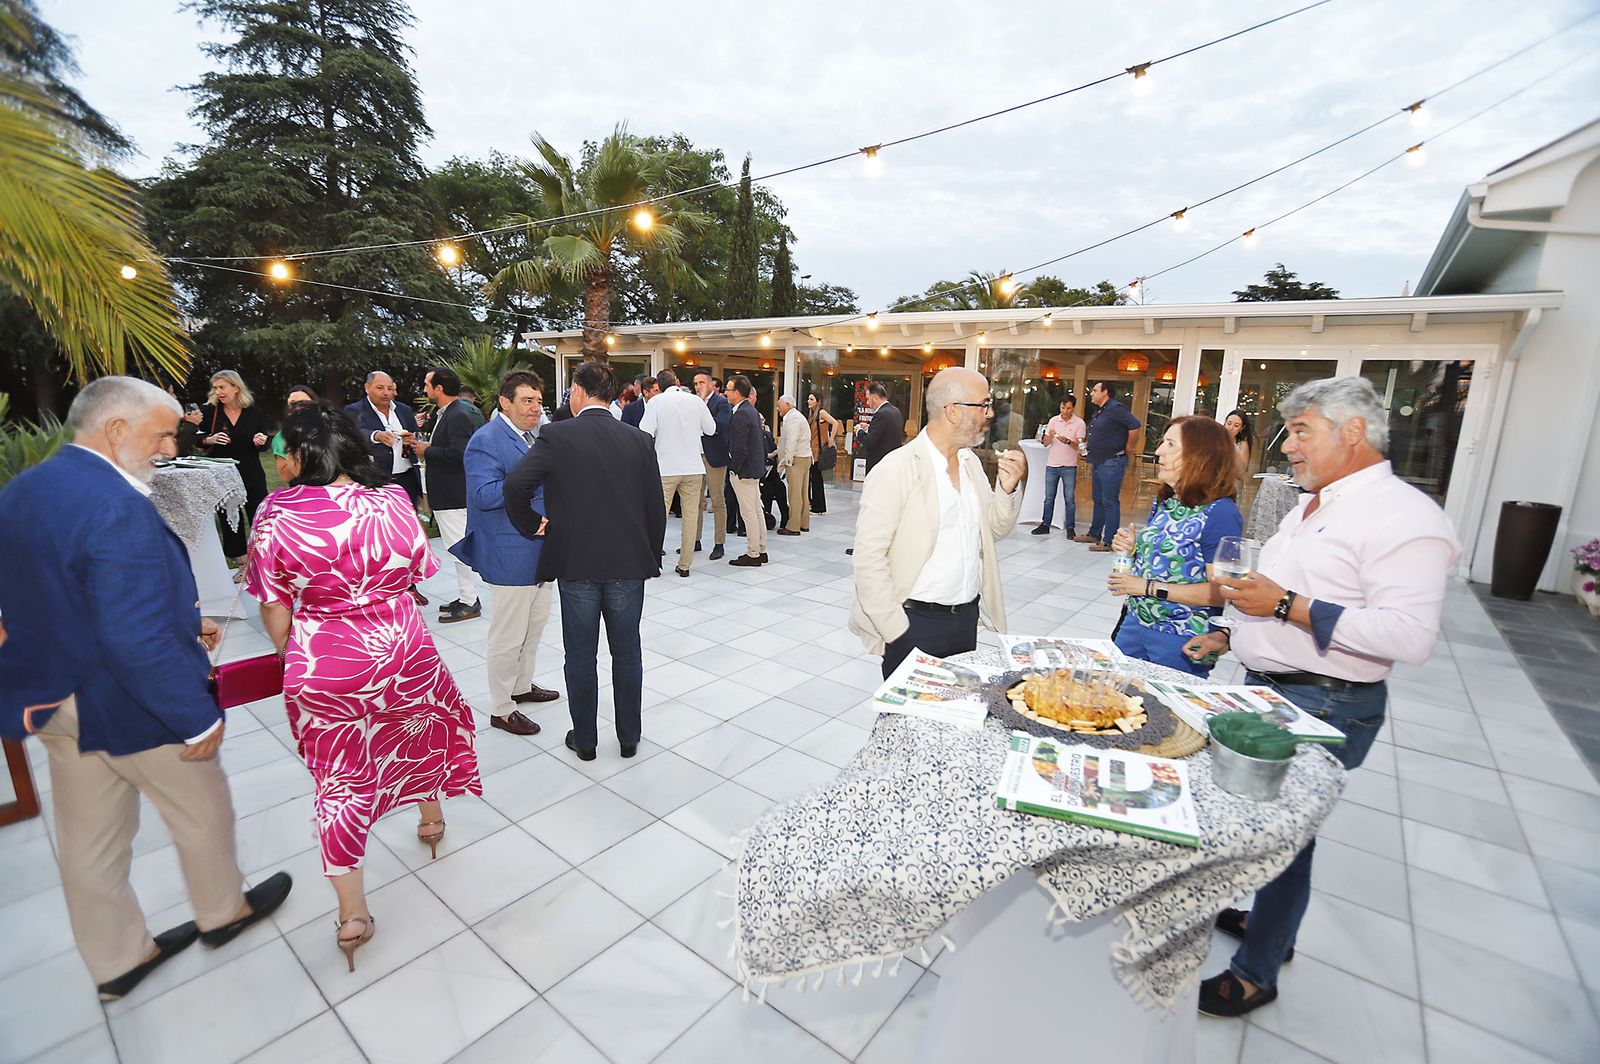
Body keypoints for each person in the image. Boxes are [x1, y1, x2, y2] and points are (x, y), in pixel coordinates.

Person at [0, 377, 292, 1001]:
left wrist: (188, 620)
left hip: (56, 699)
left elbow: (72, 590)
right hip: (124, 700)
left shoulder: (26, 488)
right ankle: (223, 914)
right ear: (115, 429)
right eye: (162, 434)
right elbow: (130, 635)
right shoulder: (115, 503)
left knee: (90, 839)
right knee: (201, 808)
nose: (168, 448)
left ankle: (118, 960)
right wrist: (195, 718)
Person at [1181, 377, 1459, 1018]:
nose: (1288, 446)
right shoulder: (1316, 504)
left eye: (1302, 431)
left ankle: (1256, 972)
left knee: (1287, 833)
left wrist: (1285, 605)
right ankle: (1269, 926)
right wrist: (1234, 632)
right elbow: (1291, 596)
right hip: (1275, 689)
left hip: (1327, 701)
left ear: (1352, 432)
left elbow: (1409, 636)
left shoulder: (1406, 518)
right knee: (1281, 830)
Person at [247, 400, 482, 971]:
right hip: (402, 647)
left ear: (302, 454)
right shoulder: (394, 501)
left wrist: (294, 654)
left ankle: (353, 914)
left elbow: (273, 607)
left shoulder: (276, 514)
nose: (278, 462)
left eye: (282, 451)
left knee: (342, 780)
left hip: (325, 660)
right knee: (418, 730)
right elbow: (417, 573)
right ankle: (430, 819)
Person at [502, 360, 665, 761]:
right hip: (628, 564)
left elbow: (515, 484)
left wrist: (532, 524)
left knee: (580, 654)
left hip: (576, 565)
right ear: (609, 395)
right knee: (628, 652)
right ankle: (629, 737)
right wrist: (650, 554)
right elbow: (655, 507)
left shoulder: (557, 435)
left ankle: (587, 740)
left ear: (577, 391)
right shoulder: (638, 439)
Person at [850, 367, 1027, 677]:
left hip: (964, 622)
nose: (989, 413)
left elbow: (993, 529)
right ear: (953, 411)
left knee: (955, 719)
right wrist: (897, 633)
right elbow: (868, 560)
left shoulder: (970, 463)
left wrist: (1008, 489)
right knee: (908, 725)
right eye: (983, 404)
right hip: (914, 626)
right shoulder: (898, 469)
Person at [451, 370, 559, 735]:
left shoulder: (532, 438)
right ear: (505, 402)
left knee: (534, 625)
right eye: (527, 401)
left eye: (539, 402)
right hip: (511, 549)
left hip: (540, 547)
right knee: (508, 634)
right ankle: (501, 708)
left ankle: (522, 686)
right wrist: (530, 489)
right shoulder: (487, 440)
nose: (534, 408)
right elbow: (484, 495)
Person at [1105, 416, 1242, 675]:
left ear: (1200, 456)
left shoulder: (1221, 513)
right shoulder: (1167, 502)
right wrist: (1135, 548)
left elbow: (1222, 591)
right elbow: (1172, 560)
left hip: (1180, 637)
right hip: (1136, 624)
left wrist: (1147, 588)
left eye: (1170, 444)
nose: (1158, 452)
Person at [344, 370, 428, 605]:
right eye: (380, 388)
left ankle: (410, 585)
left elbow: (416, 435)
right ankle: (378, 586)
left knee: (406, 535)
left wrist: (413, 440)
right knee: (375, 535)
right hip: (375, 480)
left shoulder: (403, 410)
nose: (386, 393)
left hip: (405, 479)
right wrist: (375, 435)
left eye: (390, 388)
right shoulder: (354, 411)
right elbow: (350, 436)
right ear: (367, 388)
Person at [411, 367, 481, 623]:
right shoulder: (446, 413)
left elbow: (461, 454)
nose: (424, 389)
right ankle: (466, 596)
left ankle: (469, 599)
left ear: (439, 388)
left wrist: (427, 450)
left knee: (458, 547)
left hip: (453, 494)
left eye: (427, 384)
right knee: (456, 546)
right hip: (446, 493)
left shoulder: (457, 414)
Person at [185, 369, 271, 559]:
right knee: (230, 519)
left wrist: (260, 441)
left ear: (236, 388)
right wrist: (209, 439)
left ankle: (265, 558)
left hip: (252, 473)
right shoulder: (209, 412)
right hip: (222, 474)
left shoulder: (254, 413)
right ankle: (240, 560)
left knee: (260, 516)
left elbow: (265, 441)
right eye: (215, 388)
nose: (218, 392)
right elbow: (194, 437)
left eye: (222, 387)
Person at [639, 369, 714, 577]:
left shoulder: (656, 402)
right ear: (677, 382)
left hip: (665, 468)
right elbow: (710, 428)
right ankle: (685, 565)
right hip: (693, 467)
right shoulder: (696, 401)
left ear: (660, 386)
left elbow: (644, 433)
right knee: (690, 518)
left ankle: (654, 563)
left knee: (657, 518)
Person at [1080, 381, 1142, 552]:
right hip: (1099, 461)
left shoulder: (1115, 408)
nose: (1091, 393)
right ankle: (1094, 533)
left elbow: (1135, 425)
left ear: (1105, 392)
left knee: (1109, 501)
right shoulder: (1102, 410)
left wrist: (1129, 447)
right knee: (1098, 499)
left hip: (1112, 461)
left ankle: (1109, 541)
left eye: (1094, 390)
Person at [725, 375, 768, 567]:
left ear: (737, 392)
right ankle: (761, 549)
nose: (725, 392)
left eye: (728, 389)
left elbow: (740, 448)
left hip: (745, 471)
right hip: (753, 469)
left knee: (749, 512)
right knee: (757, 510)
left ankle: (753, 554)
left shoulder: (742, 413)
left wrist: (733, 469)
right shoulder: (751, 410)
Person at [693, 369, 733, 560]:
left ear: (710, 384)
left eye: (701, 382)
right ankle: (695, 539)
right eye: (695, 383)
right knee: (696, 501)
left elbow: (720, 425)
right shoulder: (692, 403)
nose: (698, 386)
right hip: (694, 457)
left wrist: (701, 422)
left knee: (717, 500)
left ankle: (719, 543)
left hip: (714, 457)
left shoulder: (721, 402)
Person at [1033, 394, 1086, 536]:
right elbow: (1045, 444)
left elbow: (1081, 448)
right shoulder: (1053, 421)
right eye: (1063, 407)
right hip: (1052, 465)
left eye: (1068, 408)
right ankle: (1045, 525)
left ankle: (1070, 528)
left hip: (1069, 466)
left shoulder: (1079, 424)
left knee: (1069, 499)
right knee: (1049, 497)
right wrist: (1048, 436)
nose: (1065, 411)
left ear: (1073, 408)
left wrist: (1068, 441)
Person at [775, 394, 813, 536]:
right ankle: (803, 523)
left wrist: (787, 461)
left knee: (794, 494)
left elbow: (792, 440)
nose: (778, 407)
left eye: (780, 404)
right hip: (803, 457)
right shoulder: (795, 417)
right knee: (802, 493)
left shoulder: (793, 418)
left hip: (797, 459)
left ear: (788, 405)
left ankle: (793, 526)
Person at [859, 382, 905, 473]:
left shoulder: (881, 414)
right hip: (892, 463)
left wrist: (859, 431)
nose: (867, 403)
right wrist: (869, 428)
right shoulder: (896, 411)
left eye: (868, 399)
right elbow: (887, 432)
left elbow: (869, 441)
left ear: (875, 398)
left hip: (879, 465)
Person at [807, 391, 839, 514]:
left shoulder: (821, 412)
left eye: (811, 399)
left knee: (816, 478)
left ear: (817, 401)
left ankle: (818, 507)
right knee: (814, 478)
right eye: (808, 399)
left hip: (818, 451)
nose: (808, 401)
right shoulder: (812, 414)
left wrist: (831, 440)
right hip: (812, 449)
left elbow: (835, 423)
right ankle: (816, 505)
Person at [270, 384, 318, 464]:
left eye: (304, 402)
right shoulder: (281, 438)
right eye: (293, 403)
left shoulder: (331, 430)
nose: (298, 407)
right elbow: (286, 475)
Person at [1224, 408, 1256, 485]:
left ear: (1242, 428)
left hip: (1230, 484)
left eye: (1236, 426)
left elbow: (1241, 473)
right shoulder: (1216, 439)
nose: (1231, 428)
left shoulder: (1242, 444)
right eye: (1229, 423)